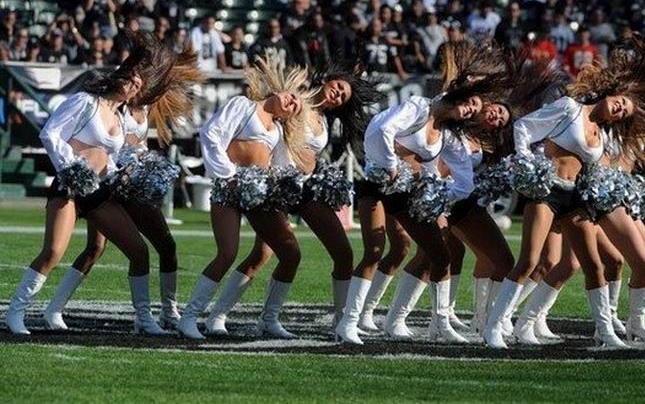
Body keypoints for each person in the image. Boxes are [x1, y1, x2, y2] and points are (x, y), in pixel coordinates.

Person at [483, 35, 645, 349]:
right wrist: (527, 163)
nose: (619, 110)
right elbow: (523, 128)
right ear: (612, 93)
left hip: (574, 200)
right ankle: (494, 326)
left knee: (593, 264)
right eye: (621, 103)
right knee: (530, 260)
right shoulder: (570, 107)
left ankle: (606, 333)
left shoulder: (601, 135)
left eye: (623, 113)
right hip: (547, 191)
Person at [5, 32, 182, 336]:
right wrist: (71, 168)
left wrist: (123, 174)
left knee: (138, 251)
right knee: (53, 252)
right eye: (130, 78)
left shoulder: (121, 116)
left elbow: (110, 158)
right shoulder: (85, 102)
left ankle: (144, 318)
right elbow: (50, 134)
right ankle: (15, 311)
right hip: (70, 187)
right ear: (118, 76)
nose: (133, 85)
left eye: (138, 84)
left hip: (99, 192)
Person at [335, 47, 511, 345]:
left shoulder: (449, 134)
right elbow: (382, 128)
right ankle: (349, 322)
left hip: (408, 195)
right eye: (469, 103)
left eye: (474, 108)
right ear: (458, 93)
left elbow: (464, 181)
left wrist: (440, 193)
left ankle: (438, 323)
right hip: (379, 185)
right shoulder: (419, 107)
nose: (470, 110)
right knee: (375, 250)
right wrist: (391, 165)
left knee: (440, 254)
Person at [204, 61, 383, 337]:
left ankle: (341, 324)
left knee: (343, 252)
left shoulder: (324, 120)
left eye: (343, 97)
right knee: (263, 254)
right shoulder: (297, 100)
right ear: (327, 80)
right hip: (279, 185)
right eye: (338, 87)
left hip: (306, 190)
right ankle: (220, 315)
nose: (337, 94)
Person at [41, 45, 205, 331]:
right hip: (109, 184)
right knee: (100, 247)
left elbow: (135, 146)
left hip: (125, 183)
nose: (139, 81)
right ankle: (59, 309)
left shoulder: (145, 106)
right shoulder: (118, 105)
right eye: (136, 75)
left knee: (156, 245)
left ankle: (168, 311)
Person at [177, 56, 315, 340]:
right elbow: (212, 134)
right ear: (276, 91)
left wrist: (294, 179)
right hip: (229, 189)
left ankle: (269, 318)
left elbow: (278, 166)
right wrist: (227, 175)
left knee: (290, 252)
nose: (292, 103)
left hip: (259, 195)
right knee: (227, 253)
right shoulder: (244, 106)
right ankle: (189, 317)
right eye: (292, 97)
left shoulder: (277, 131)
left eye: (295, 107)